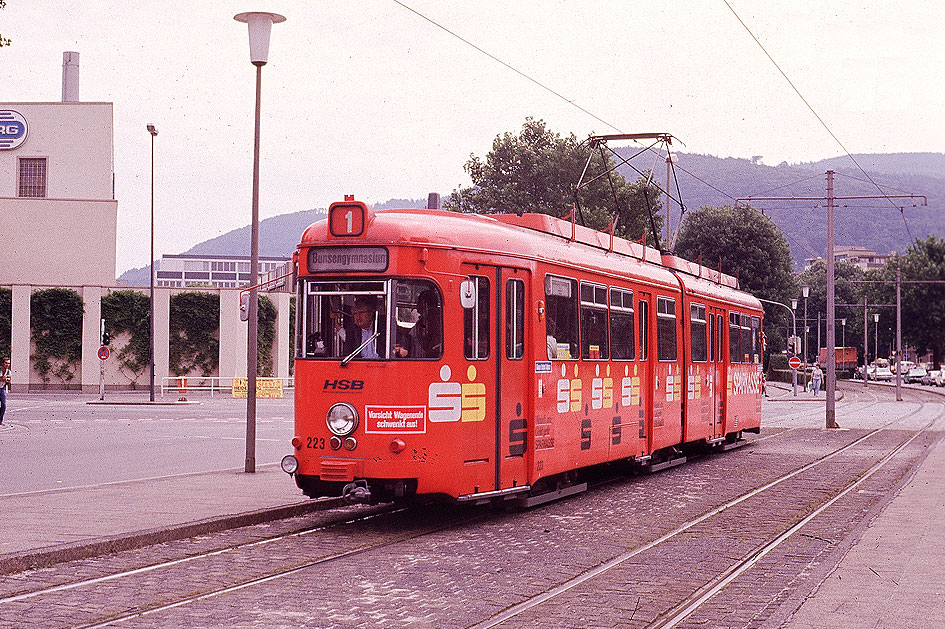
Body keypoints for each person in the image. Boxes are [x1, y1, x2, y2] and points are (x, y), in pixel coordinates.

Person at [396, 290, 442, 358]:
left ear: (424, 303)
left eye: (418, 302)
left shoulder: (431, 318)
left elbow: (434, 342)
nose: (417, 305)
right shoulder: (426, 317)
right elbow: (412, 332)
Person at [0, 357, 10, 425]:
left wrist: (7, 381)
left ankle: (0, 420)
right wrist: (1, 379)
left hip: (1, 389)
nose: (7, 364)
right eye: (6, 363)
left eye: (8, 363)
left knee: (3, 404)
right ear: (3, 363)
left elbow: (9, 381)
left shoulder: (8, 372)